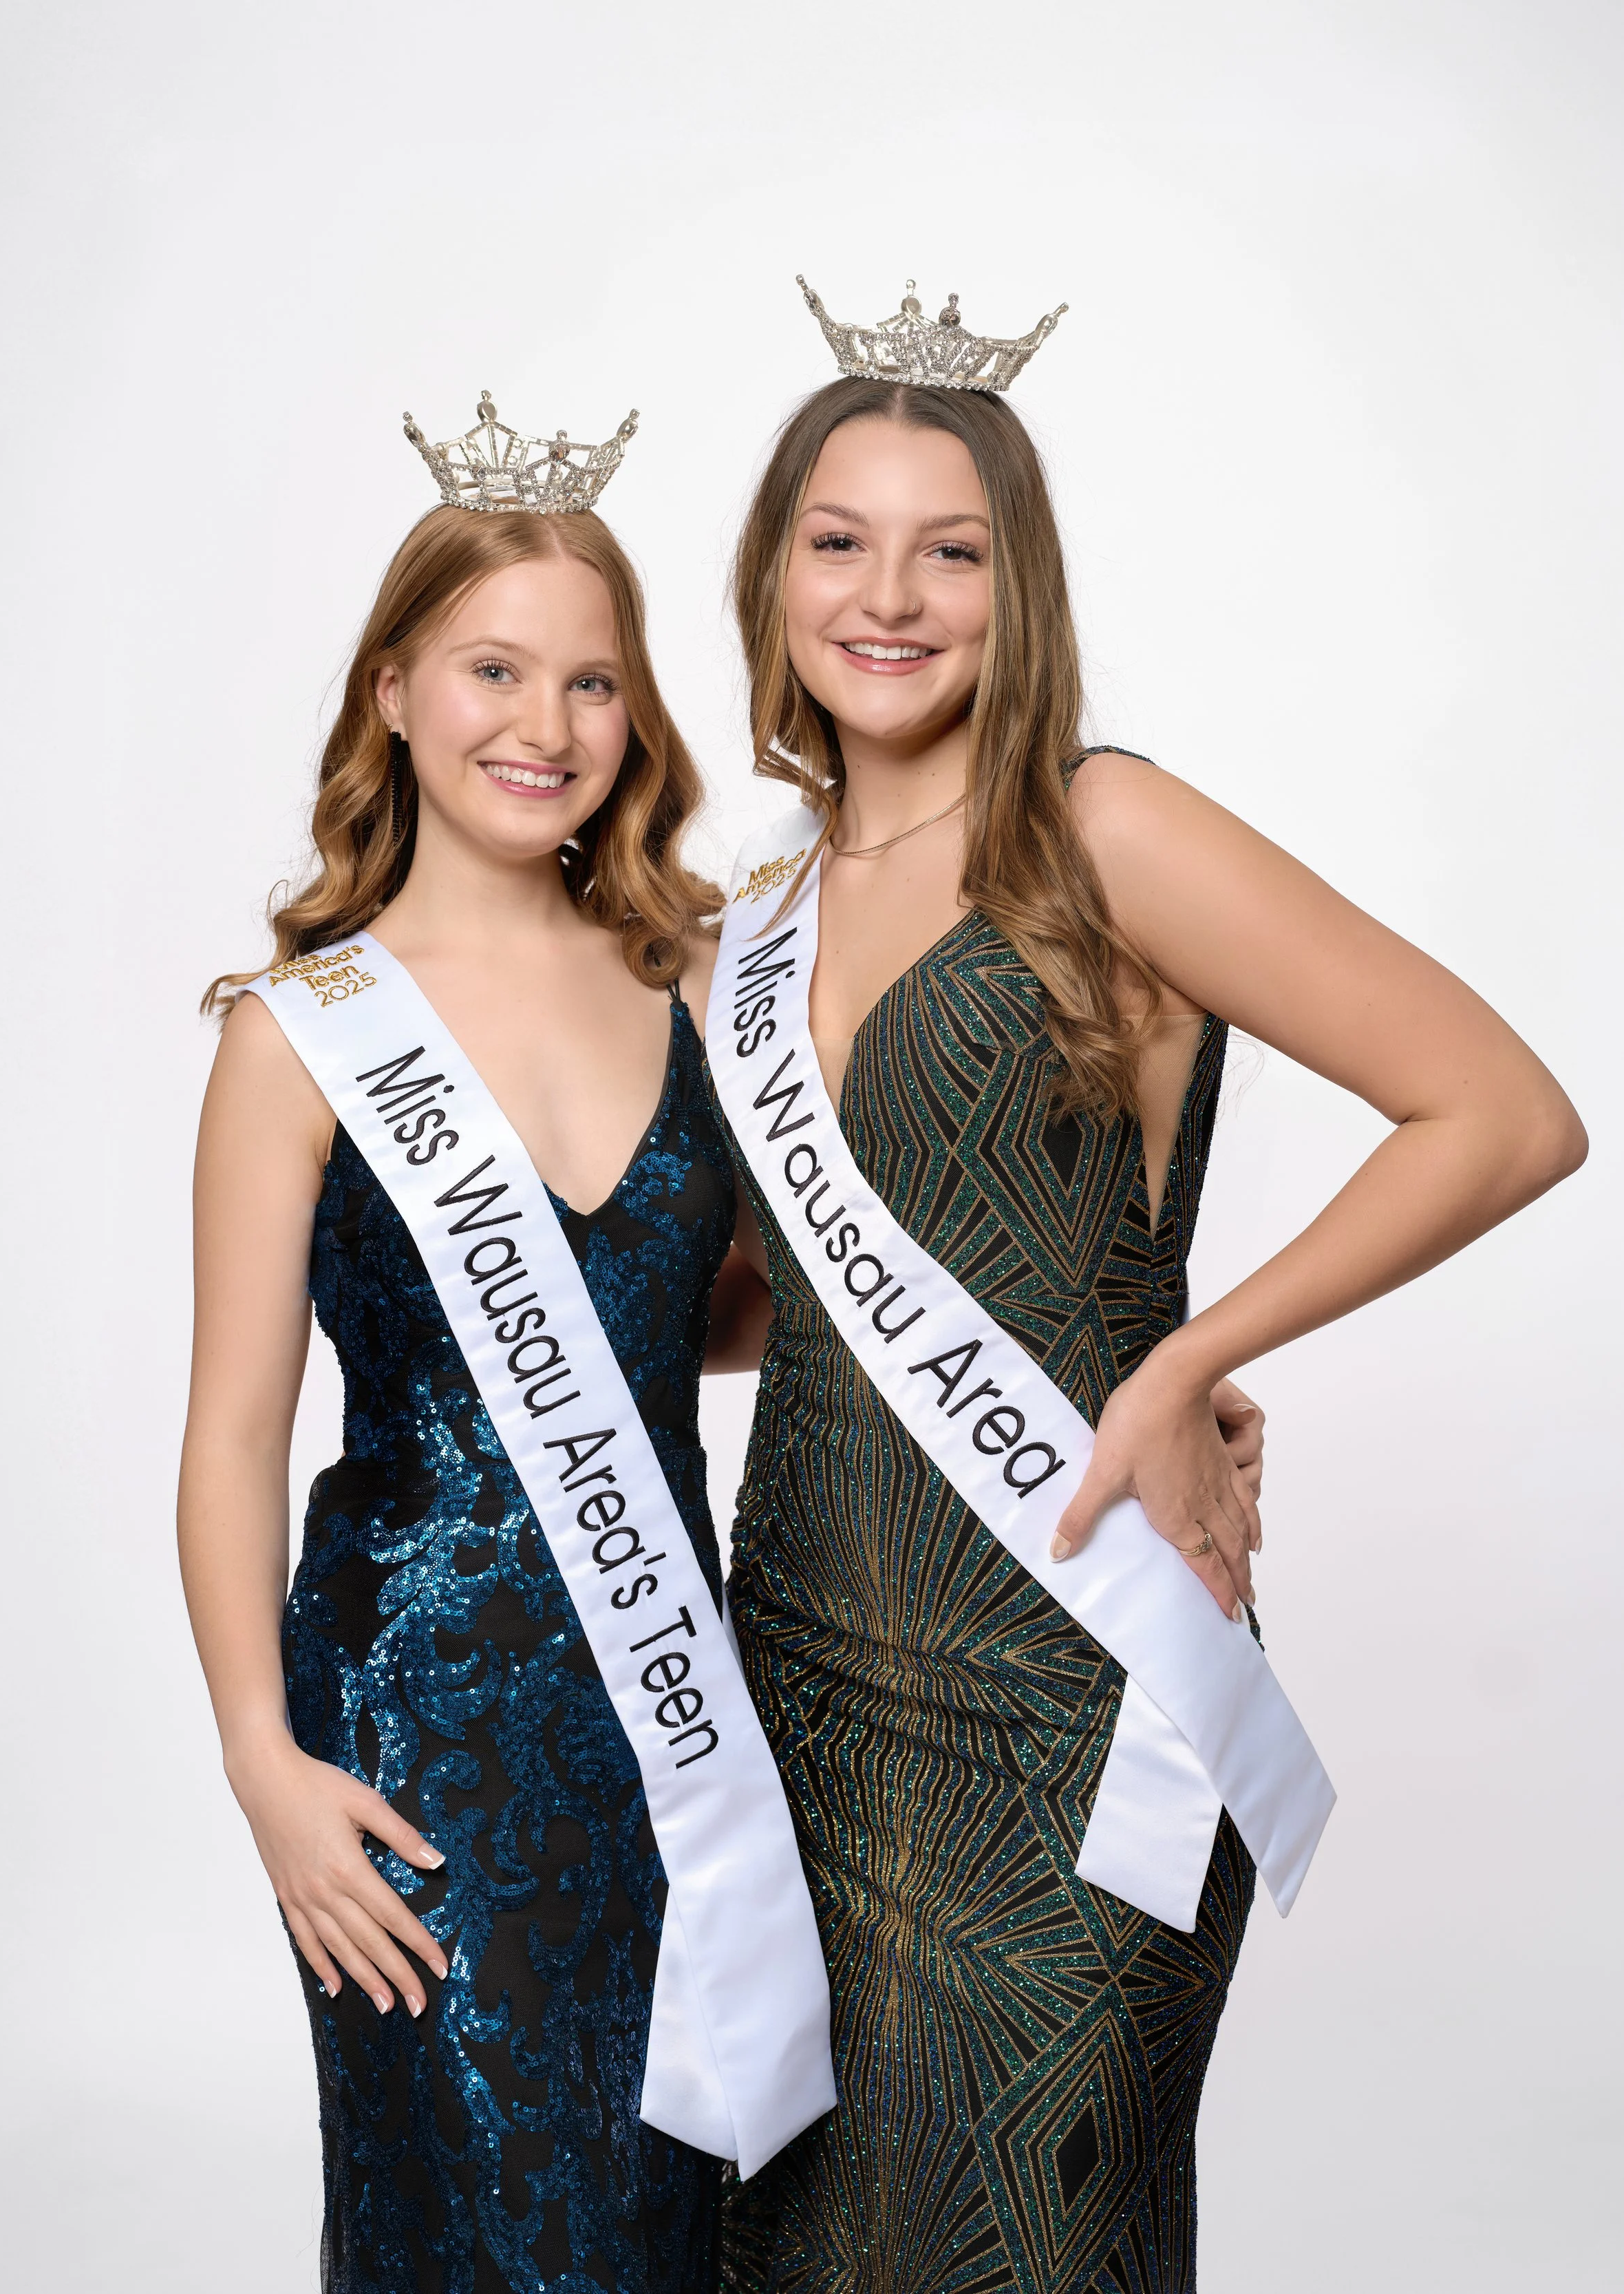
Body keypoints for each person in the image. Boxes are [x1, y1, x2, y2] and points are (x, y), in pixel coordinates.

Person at [700, 283, 1587, 2293]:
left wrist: (1194, 1353)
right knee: (795, 2246)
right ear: (768, 577)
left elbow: (1501, 1111)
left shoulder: (1103, 829)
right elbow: (765, 1305)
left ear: (1023, 592)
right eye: (839, 541)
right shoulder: (741, 917)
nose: (891, 595)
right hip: (801, 1677)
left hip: (1074, 1661)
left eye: (955, 549)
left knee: (1038, 2225)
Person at [175, 395, 834, 2294]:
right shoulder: (295, 1030)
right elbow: (231, 1433)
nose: (541, 726)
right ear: (393, 687)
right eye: (491, 667)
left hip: (666, 1714)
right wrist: (258, 1760)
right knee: (461, 2214)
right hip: (407, 1725)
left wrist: (1125, 1361)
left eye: (592, 682)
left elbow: (703, 1313)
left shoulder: (697, 976)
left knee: (657, 2209)